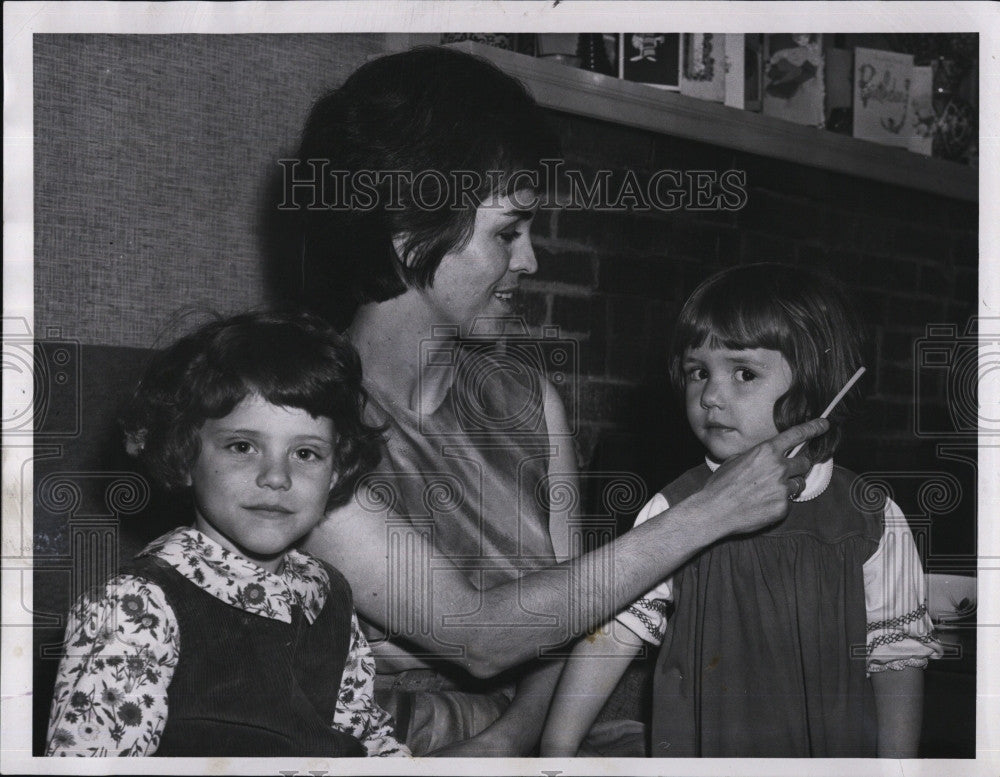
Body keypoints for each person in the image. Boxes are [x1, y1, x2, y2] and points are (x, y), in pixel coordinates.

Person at [295, 46, 828, 756]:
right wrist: (712, 508)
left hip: (534, 740)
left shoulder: (527, 400)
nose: (530, 261)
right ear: (407, 230)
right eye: (508, 233)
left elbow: (575, 612)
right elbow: (479, 634)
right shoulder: (300, 425)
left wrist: (512, 741)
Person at [540, 264, 943, 758]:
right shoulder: (672, 508)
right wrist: (556, 750)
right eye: (697, 372)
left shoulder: (873, 517)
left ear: (816, 385)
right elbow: (611, 636)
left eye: (744, 373)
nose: (709, 395)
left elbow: (898, 661)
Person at [45, 311, 409, 758]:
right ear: (182, 454)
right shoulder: (133, 609)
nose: (277, 476)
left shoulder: (327, 592)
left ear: (336, 472)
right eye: (243, 446)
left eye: (307, 453)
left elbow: (365, 737)